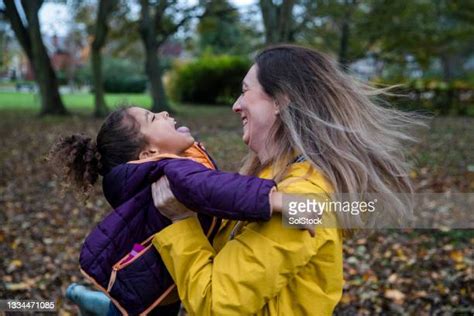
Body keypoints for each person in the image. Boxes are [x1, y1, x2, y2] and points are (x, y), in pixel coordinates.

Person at [150, 44, 423, 315]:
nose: (236, 105)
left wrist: (182, 223)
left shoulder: (298, 199)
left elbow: (217, 303)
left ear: (281, 100)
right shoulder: (272, 177)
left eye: (245, 91)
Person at [51, 106, 301, 314]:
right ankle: (91, 302)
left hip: (158, 277)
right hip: (153, 277)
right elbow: (213, 188)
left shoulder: (160, 169)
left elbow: (331, 212)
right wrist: (278, 201)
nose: (164, 113)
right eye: (152, 118)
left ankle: (92, 303)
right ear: (149, 153)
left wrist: (327, 211)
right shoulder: (171, 171)